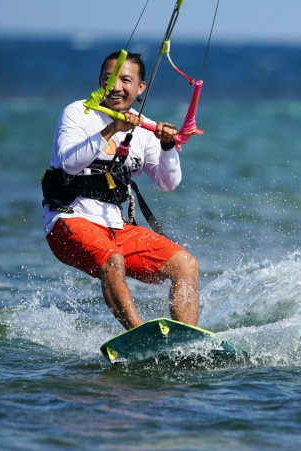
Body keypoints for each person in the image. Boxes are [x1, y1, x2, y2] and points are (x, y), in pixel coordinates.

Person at [42, 51, 199, 330]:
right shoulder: (78, 112)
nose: (115, 86)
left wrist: (167, 146)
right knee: (112, 260)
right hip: (69, 219)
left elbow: (168, 183)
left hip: (116, 228)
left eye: (125, 80)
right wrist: (113, 128)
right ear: (100, 81)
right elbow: (68, 163)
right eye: (109, 78)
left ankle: (185, 338)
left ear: (140, 88)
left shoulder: (143, 127)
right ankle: (138, 336)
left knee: (186, 265)